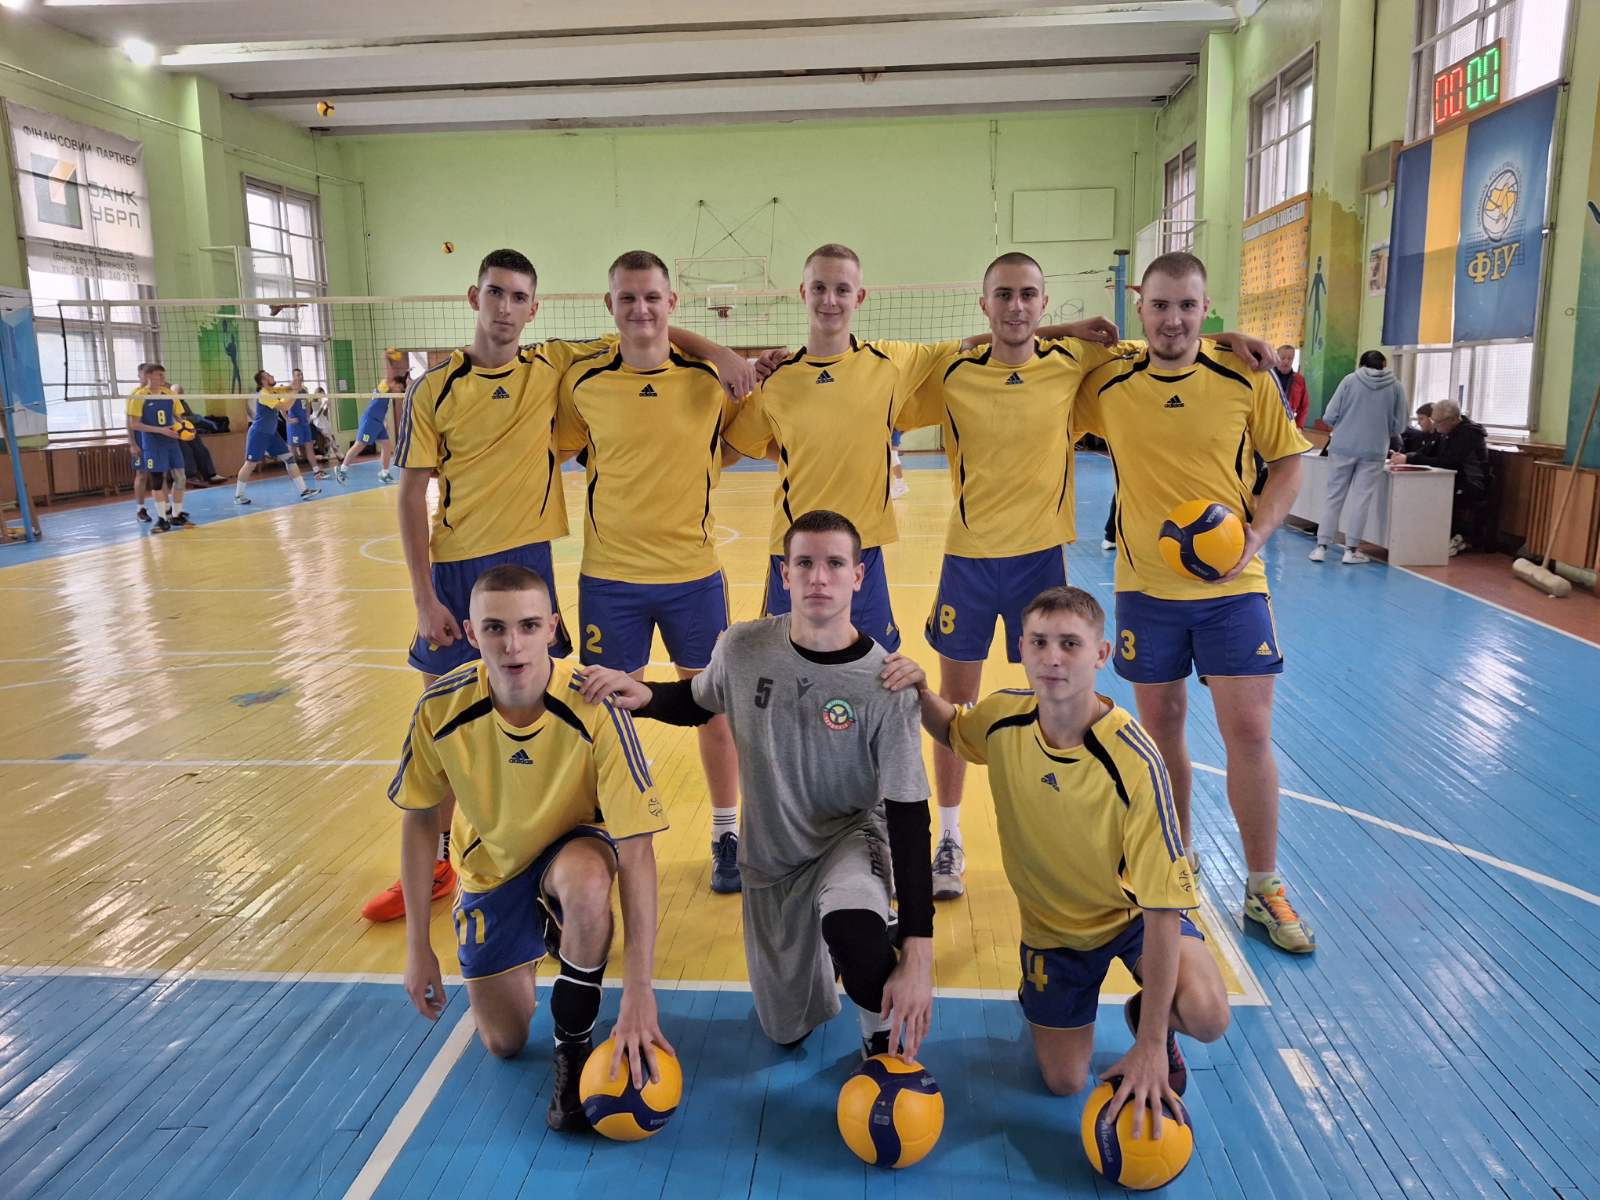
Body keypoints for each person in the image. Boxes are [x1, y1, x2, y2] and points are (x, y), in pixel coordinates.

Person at [362, 246, 754, 923]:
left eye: (518, 297)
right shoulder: (447, 386)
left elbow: (654, 325)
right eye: (495, 293)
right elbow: (409, 494)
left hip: (541, 562)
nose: (505, 307)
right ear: (474, 297)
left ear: (534, 308)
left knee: (567, 714)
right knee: (447, 721)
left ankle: (679, 837)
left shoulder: (553, 365)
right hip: (463, 566)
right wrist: (424, 598)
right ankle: (443, 860)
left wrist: (721, 353)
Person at [897, 252, 1272, 900]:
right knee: (956, 708)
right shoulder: (952, 369)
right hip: (968, 559)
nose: (1016, 306)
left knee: (1056, 703)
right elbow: (889, 388)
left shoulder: (1074, 363)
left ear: (1045, 304)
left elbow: (1164, 345)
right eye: (1003, 295)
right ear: (984, 304)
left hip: (1041, 559)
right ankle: (949, 838)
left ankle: (1058, 834)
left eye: (1029, 295)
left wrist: (1223, 339)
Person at [575, 510, 935, 1061]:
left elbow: (909, 816)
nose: (819, 577)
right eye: (804, 563)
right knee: (784, 1030)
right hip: (771, 858)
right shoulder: (744, 648)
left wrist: (918, 949)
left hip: (850, 837)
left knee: (854, 930)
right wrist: (646, 696)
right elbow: (699, 698)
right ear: (784, 574)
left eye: (835, 564)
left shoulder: (887, 682)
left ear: (858, 576)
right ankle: (823, 954)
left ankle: (876, 1026)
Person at [884, 586, 1228, 1130]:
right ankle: (1046, 989)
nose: (1053, 657)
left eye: (1070, 643)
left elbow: (1163, 907)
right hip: (1053, 934)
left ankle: (1153, 1016)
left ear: (1101, 654)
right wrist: (920, 688)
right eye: (1039, 642)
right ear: (1020, 648)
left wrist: (1150, 1044)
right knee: (1063, 1080)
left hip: (1131, 919)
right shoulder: (1004, 718)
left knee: (1208, 1014)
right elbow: (951, 728)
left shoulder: (1135, 761)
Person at [1076, 251, 1316, 955]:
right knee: (1162, 733)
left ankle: (1263, 885)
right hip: (1145, 587)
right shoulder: (1110, 378)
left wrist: (1257, 536)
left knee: (1249, 732)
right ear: (1139, 308)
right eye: (1160, 305)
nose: (1173, 320)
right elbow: (1022, 343)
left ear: (1206, 309)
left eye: (1188, 306)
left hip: (1232, 588)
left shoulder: (1244, 373)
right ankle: (1175, 861)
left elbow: (1289, 462)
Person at [726, 243, 1115, 661]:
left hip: (862, 548)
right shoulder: (776, 379)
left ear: (859, 296)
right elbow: (734, 447)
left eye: (842, 289)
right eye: (819, 287)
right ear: (803, 293)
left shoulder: (893, 362)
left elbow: (991, 340)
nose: (829, 299)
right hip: (794, 549)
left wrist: (1064, 329)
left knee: (874, 668)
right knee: (782, 666)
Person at [392, 564, 670, 1132]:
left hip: (573, 849)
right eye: (494, 628)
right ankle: (545, 930)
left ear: (553, 629)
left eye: (528, 626)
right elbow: (420, 821)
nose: (512, 644)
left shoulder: (594, 703)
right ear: (471, 633)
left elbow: (637, 851)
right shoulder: (440, 707)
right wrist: (417, 946)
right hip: (490, 867)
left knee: (587, 882)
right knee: (505, 1042)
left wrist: (640, 989)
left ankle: (573, 1046)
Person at [556, 250, 755, 895]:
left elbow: (733, 445)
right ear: (608, 305)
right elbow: (567, 446)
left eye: (652, 297)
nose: (640, 309)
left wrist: (720, 357)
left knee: (712, 709)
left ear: (672, 303)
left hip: (693, 575)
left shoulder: (707, 380)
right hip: (610, 579)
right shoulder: (584, 382)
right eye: (627, 298)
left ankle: (726, 831)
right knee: (609, 713)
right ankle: (617, 831)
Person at [1310, 350, 1407, 565]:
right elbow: (1400, 425)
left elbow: (1329, 415)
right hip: (1374, 450)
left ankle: (1321, 547)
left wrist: (1345, 426)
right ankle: (1351, 550)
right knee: (1361, 500)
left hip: (1342, 447)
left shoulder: (1349, 380)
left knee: (1333, 497)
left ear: (1361, 364)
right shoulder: (1396, 386)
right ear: (1384, 365)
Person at [1390, 398, 1489, 554]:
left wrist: (1410, 459)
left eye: (1438, 422)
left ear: (1453, 419)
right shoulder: (1445, 431)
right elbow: (1428, 452)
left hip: (1470, 483)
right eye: (1433, 420)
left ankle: (1439, 538)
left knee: (1427, 493)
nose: (1435, 425)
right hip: (1452, 479)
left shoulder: (1468, 434)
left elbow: (1448, 463)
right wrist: (1407, 457)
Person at [234, 370, 322, 504]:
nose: (272, 376)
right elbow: (285, 406)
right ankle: (238, 496)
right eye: (269, 376)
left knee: (289, 458)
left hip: (272, 434)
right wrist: (294, 392)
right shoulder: (264, 394)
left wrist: (295, 384)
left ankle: (304, 490)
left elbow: (289, 388)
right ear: (263, 381)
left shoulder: (273, 391)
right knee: (250, 464)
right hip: (259, 433)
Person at [129, 362, 191, 532]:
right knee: (157, 480)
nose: (163, 378)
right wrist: (161, 430)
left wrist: (186, 428)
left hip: (171, 442)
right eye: (160, 375)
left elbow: (178, 417)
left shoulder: (169, 394)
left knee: (180, 478)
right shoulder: (139, 396)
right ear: (149, 376)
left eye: (163, 375)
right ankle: (162, 519)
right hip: (153, 444)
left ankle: (176, 515)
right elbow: (134, 424)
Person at [337, 376, 398, 484]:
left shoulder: (387, 394)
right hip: (370, 421)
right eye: (398, 386)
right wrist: (401, 371)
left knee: (386, 445)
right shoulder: (383, 386)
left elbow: (379, 407)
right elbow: (389, 378)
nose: (398, 389)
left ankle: (384, 474)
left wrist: (384, 420)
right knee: (359, 445)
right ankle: (342, 470)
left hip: (378, 422)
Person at [171, 386, 225, 486]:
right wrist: (187, 420)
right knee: (186, 450)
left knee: (201, 448)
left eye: (181, 393)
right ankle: (191, 476)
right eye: (178, 393)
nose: (180, 395)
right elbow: (176, 419)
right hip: (175, 433)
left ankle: (210, 475)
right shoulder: (168, 403)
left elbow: (191, 418)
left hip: (187, 431)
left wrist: (191, 425)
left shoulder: (183, 403)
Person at [125, 363, 155, 524]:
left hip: (155, 439)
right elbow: (128, 422)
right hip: (140, 439)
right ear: (140, 376)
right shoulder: (135, 395)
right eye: (146, 374)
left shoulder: (159, 393)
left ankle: (166, 508)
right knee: (141, 474)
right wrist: (132, 443)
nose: (149, 377)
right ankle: (140, 509)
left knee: (160, 473)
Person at [286, 367, 324, 479]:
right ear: (293, 377)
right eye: (297, 375)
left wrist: (307, 416)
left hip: (304, 423)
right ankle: (292, 474)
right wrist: (288, 419)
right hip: (294, 424)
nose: (300, 376)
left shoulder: (304, 390)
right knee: (292, 449)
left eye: (301, 374)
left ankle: (316, 471)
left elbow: (307, 404)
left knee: (309, 446)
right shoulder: (289, 390)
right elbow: (282, 407)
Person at [1273, 344, 1309, 428]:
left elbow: (1304, 406)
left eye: (1290, 358)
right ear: (1276, 358)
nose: (1286, 361)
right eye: (1282, 358)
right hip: (1268, 421)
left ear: (1293, 359)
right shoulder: (1268, 377)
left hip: (1289, 423)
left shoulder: (1299, 380)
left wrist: (1299, 426)